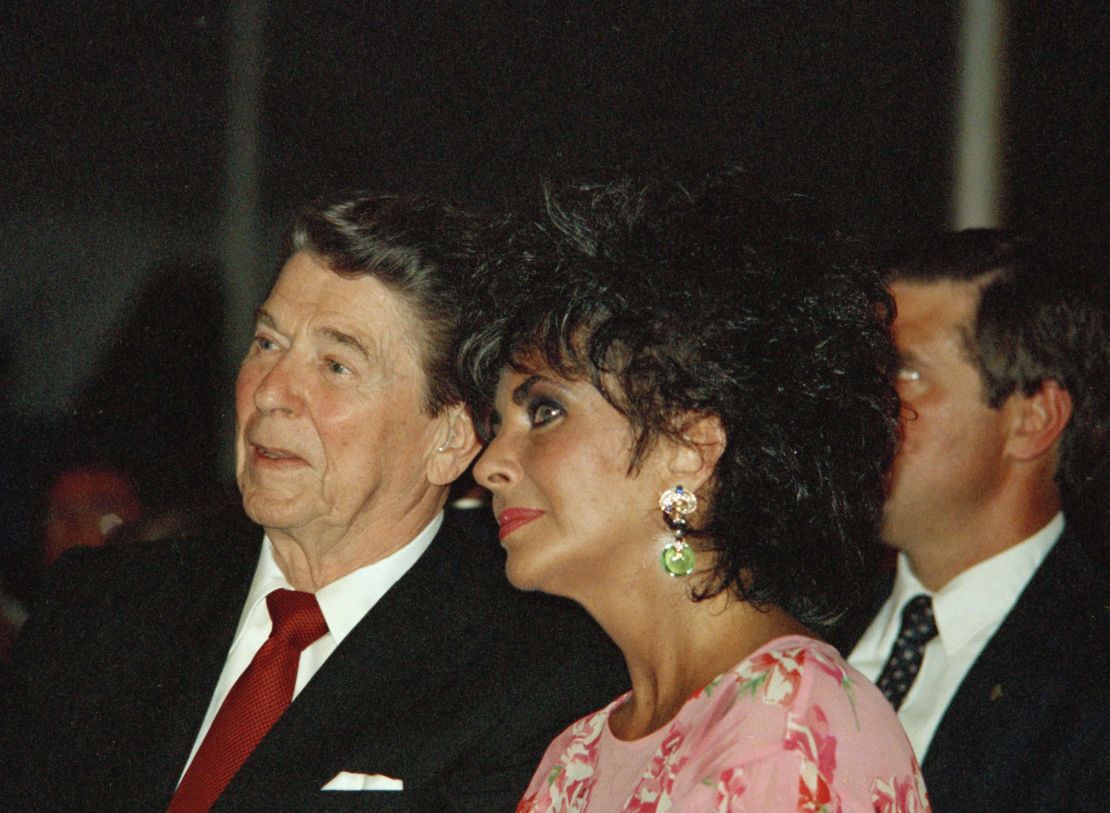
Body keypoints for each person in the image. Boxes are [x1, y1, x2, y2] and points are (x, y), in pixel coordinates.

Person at [0, 193, 626, 812]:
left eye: (335, 366)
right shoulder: (97, 609)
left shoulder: (537, 676)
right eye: (268, 344)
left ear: (451, 439)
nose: (271, 392)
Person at [461, 174, 930, 812]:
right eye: (498, 427)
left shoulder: (790, 724)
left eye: (544, 411)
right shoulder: (576, 755)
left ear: (689, 447)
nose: (490, 465)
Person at [834, 230, 1110, 811]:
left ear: (1034, 418)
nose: (859, 407)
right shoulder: (802, 617)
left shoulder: (1089, 681)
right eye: (862, 374)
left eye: (904, 375)